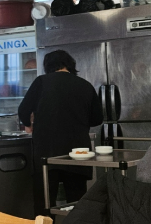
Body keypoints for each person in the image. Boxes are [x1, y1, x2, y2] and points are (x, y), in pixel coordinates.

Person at [18, 50, 104, 204]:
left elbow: (23, 110)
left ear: (48, 66)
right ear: (70, 64)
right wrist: (77, 122)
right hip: (78, 154)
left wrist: (28, 125)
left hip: (48, 153)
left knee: (45, 203)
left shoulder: (41, 82)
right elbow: (97, 119)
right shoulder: (85, 85)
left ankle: (46, 221)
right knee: (76, 204)